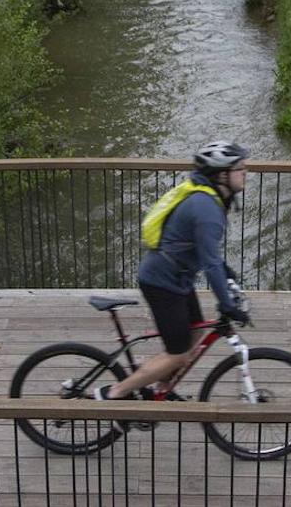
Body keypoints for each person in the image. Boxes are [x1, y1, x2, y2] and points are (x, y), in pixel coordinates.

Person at [94, 140, 251, 402]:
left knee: (195, 333)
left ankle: (159, 391)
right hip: (162, 282)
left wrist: (228, 274)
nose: (246, 172)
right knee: (177, 353)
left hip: (178, 277)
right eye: (240, 167)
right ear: (222, 174)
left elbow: (207, 253)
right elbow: (210, 263)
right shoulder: (206, 208)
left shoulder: (210, 200)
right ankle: (114, 394)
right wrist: (227, 304)